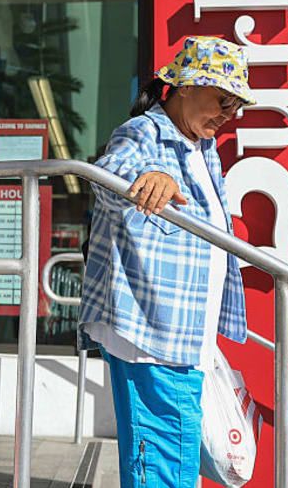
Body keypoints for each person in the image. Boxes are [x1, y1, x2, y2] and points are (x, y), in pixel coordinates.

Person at [79, 35, 254, 487]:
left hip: (180, 332)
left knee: (171, 463)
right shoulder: (146, 132)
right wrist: (145, 176)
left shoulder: (202, 147)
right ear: (184, 86)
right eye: (221, 100)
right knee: (161, 466)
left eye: (235, 107)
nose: (226, 115)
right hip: (153, 332)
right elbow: (108, 176)